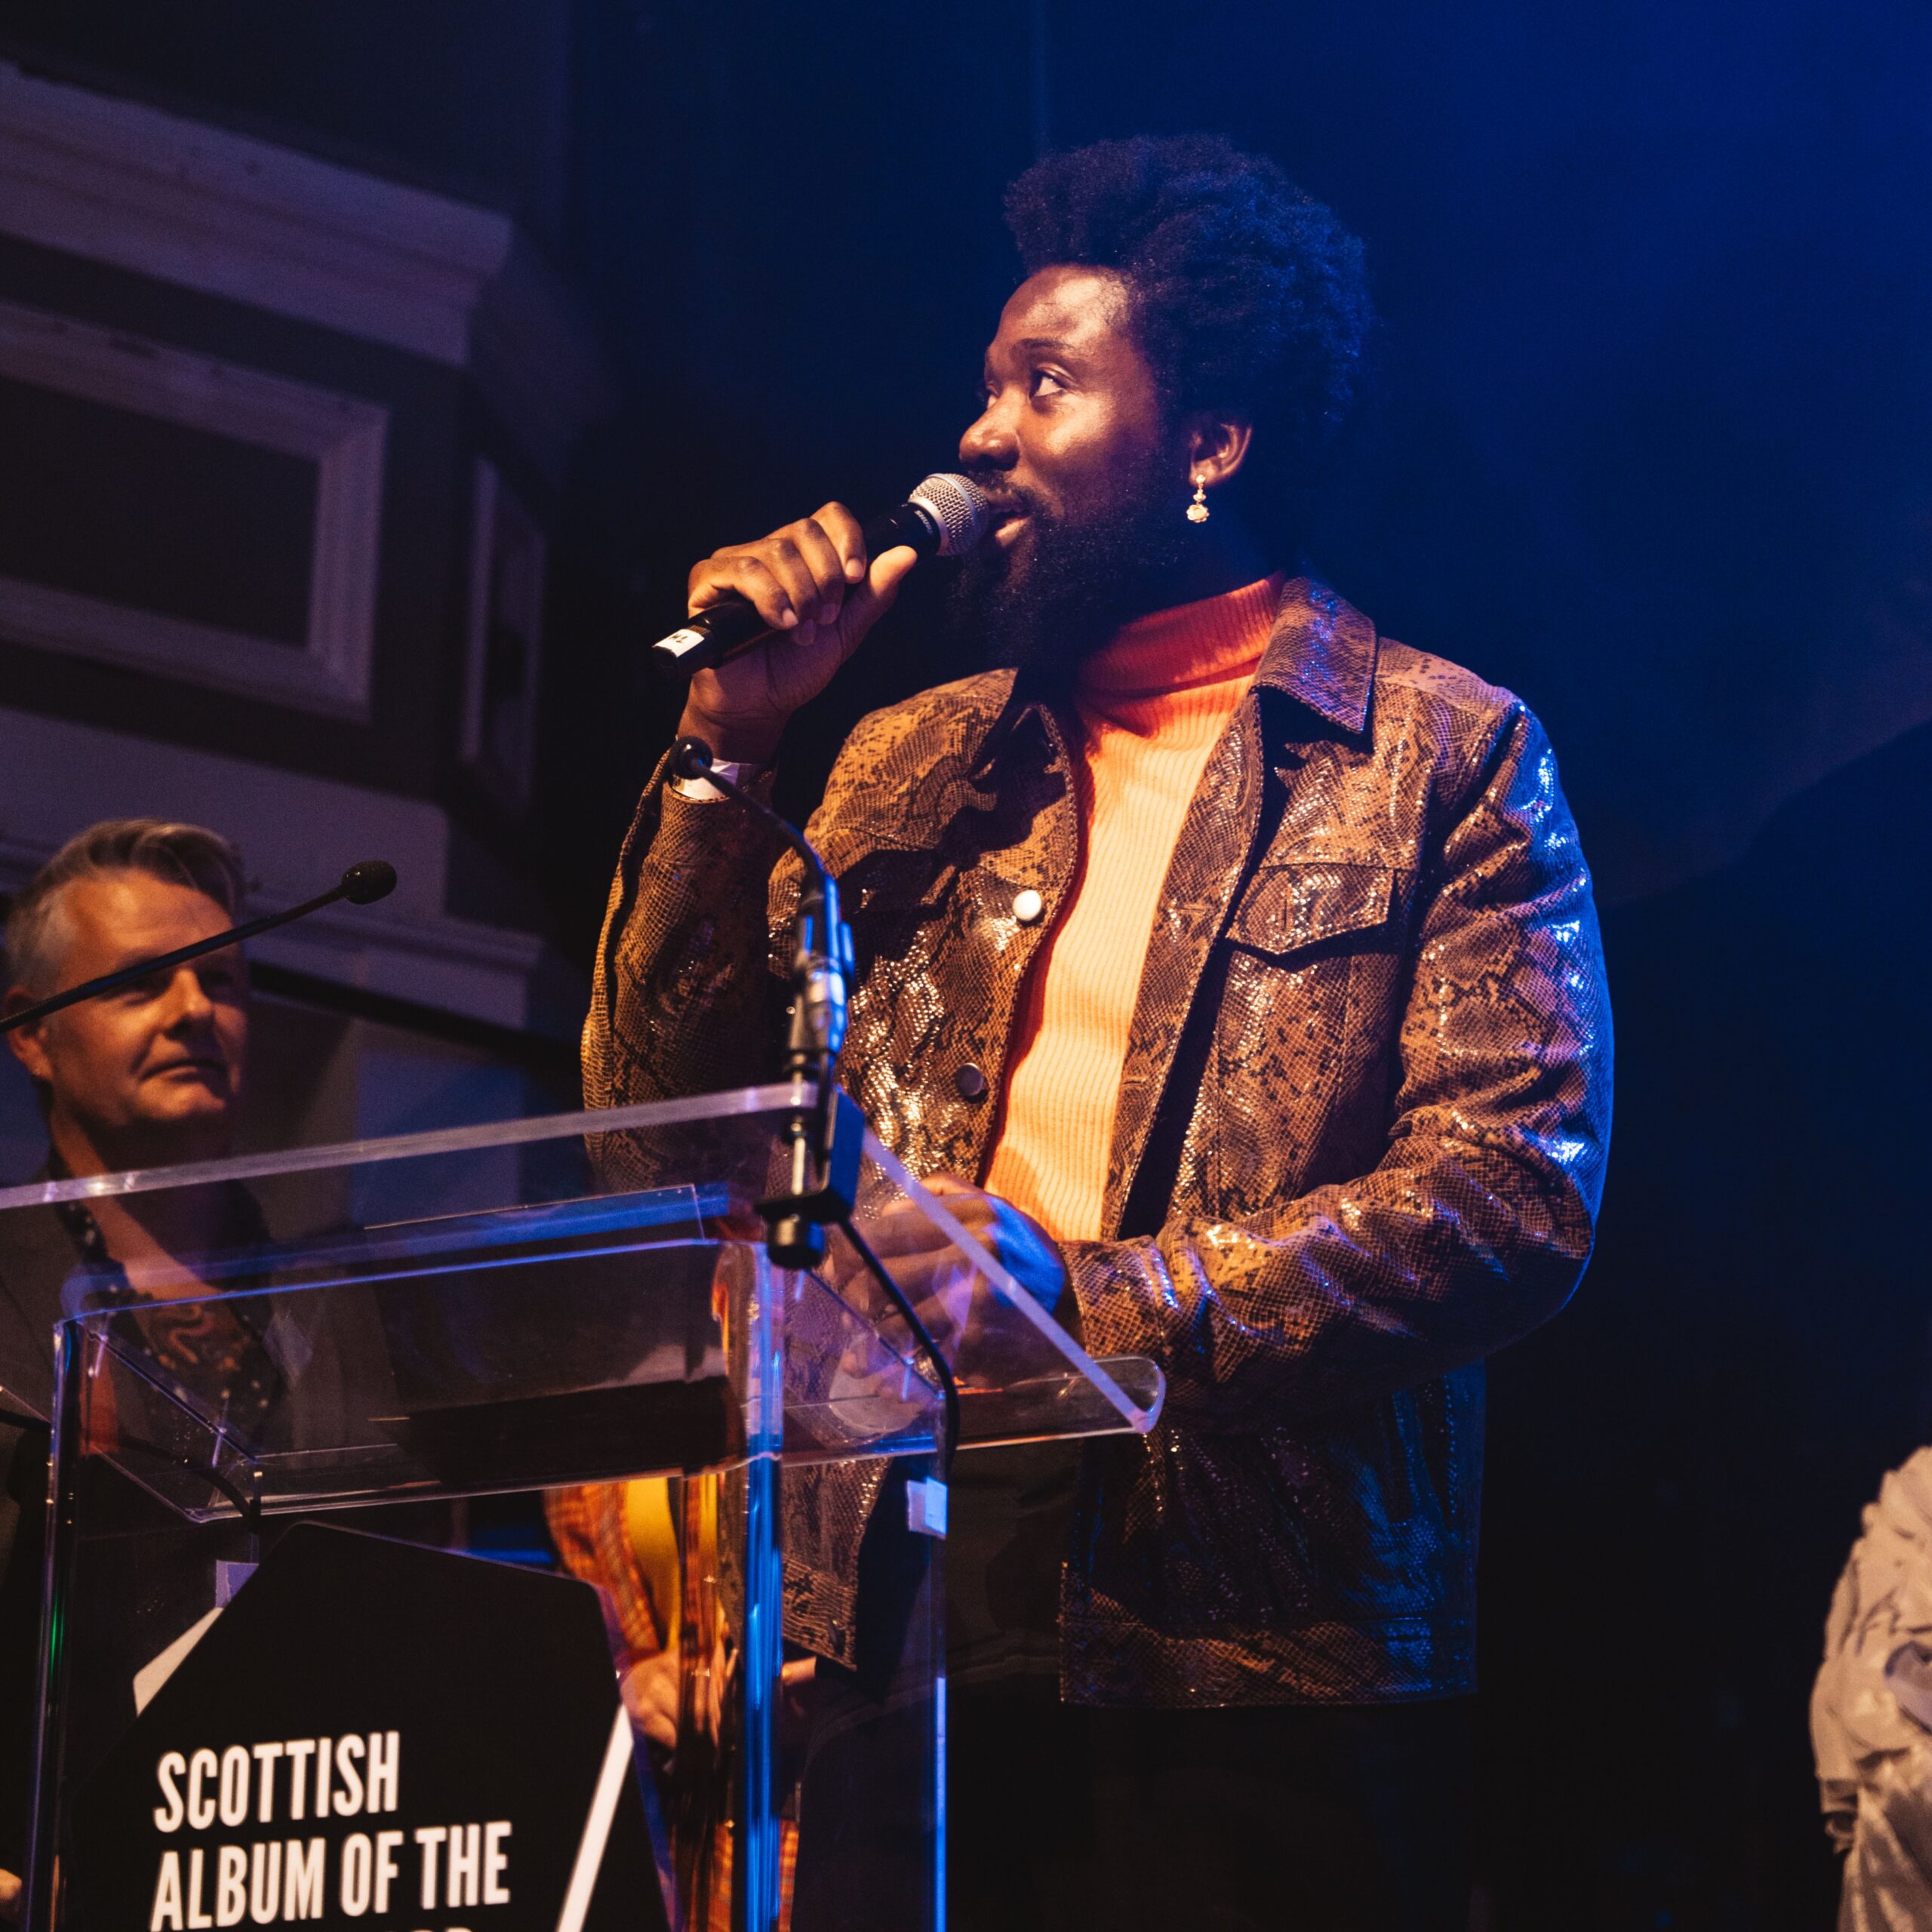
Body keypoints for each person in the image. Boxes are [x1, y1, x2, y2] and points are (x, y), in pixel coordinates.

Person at [577, 134, 1613, 1929]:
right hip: (896, 1624)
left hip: (1252, 1655)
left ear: (1208, 441)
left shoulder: (1442, 753)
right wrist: (727, 749)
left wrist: (1086, 1306)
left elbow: (1510, 1191)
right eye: (983, 390)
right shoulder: (908, 757)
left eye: (1042, 387)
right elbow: (661, 1132)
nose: (976, 439)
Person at [0, 819, 256, 1900]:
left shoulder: (342, 1299)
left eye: (224, 979)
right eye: (144, 982)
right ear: (31, 1034)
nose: (196, 1009)